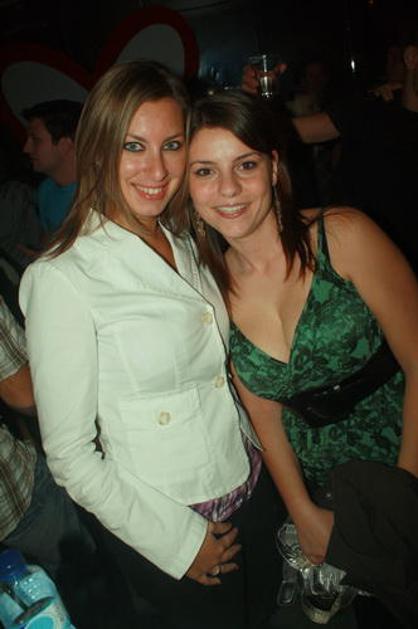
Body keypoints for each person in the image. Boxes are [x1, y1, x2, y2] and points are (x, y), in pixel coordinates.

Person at [19, 61, 284, 629]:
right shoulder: (63, 277)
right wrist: (180, 543)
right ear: (99, 149)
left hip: (250, 481)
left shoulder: (184, 236)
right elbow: (70, 456)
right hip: (178, 518)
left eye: (172, 145)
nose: (157, 169)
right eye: (134, 146)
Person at [180, 89, 418, 626]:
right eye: (205, 172)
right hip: (328, 491)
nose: (228, 189)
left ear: (273, 167)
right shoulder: (210, 293)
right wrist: (303, 512)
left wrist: (403, 493)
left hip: (405, 454)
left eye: (245, 165)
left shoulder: (343, 236)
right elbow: (264, 414)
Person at [242, 31, 418, 269]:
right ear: (412, 58)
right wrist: (252, 100)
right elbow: (278, 134)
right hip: (361, 261)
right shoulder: (372, 110)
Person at [22, 100, 82, 235]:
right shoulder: (45, 190)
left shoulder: (100, 195)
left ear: (65, 145)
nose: (26, 148)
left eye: (36, 140)